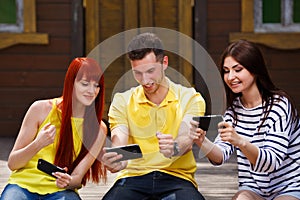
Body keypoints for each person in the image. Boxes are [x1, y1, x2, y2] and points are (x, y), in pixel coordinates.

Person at [190, 40, 300, 200]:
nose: (230, 77)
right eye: (226, 71)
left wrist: (240, 142)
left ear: (255, 70)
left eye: (238, 70)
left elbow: (272, 162)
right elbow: (219, 156)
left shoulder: (279, 105)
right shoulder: (233, 111)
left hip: (288, 186)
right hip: (253, 188)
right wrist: (202, 142)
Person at [101, 32, 206, 200]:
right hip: (133, 178)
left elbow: (186, 138)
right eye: (138, 73)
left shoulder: (191, 97)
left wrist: (174, 147)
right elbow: (119, 139)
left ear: (164, 63)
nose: (145, 80)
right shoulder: (122, 101)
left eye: (150, 71)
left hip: (177, 178)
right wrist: (117, 160)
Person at [0, 57, 107, 200]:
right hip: (23, 185)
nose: (91, 91)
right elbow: (13, 164)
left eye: (96, 85)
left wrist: (68, 182)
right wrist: (39, 143)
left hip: (60, 191)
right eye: (85, 84)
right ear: (71, 83)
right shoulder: (40, 109)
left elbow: (77, 178)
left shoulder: (99, 128)